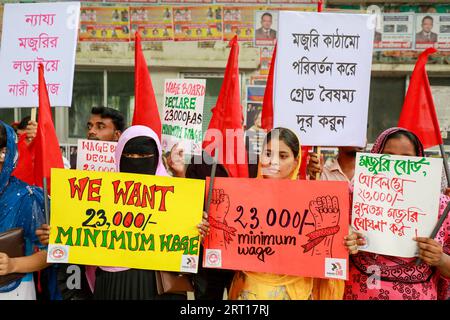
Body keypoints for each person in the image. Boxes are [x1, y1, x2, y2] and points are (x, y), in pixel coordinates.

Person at [81, 125, 209, 300]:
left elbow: (187, 236)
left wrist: (198, 231)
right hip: (113, 282)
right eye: (129, 155)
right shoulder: (101, 193)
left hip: (157, 284)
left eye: (143, 156)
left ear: (155, 157)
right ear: (119, 156)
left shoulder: (173, 192)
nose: (135, 160)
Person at [228, 127, 345, 300]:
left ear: (296, 161)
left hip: (294, 292)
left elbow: (325, 247)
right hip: (249, 290)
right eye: (268, 153)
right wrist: (208, 231)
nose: (273, 162)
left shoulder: (311, 202)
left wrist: (344, 241)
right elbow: (227, 244)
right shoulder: (241, 197)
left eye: (283, 156)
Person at [344, 127, 450, 300]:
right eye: (388, 157)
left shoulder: (441, 207)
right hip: (358, 293)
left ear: (420, 162)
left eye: (407, 159)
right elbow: (328, 253)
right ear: (376, 156)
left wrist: (440, 258)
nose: (397, 167)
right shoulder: (351, 197)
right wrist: (346, 243)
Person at [36, 107, 125, 300]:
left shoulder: (130, 175)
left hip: (116, 276)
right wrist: (52, 232)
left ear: (117, 135)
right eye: (90, 126)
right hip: (78, 273)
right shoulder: (75, 171)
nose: (92, 131)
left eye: (101, 126)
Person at [0, 121, 48, 300]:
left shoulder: (25, 197)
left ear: (4, 153)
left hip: (13, 291)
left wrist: (13, 265)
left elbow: (52, 252)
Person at [185, 151, 235, 300]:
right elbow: (190, 197)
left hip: (239, 251)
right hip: (207, 250)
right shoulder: (200, 160)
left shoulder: (251, 162)